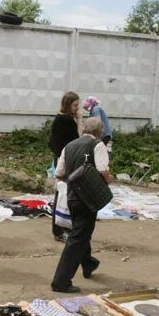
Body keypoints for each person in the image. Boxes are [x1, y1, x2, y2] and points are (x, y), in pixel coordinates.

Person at [50, 117, 112, 293]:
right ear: (99, 132)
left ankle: (88, 263)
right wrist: (108, 180)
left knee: (81, 231)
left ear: (83, 129)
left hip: (72, 197)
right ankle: (60, 281)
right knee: (78, 237)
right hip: (89, 198)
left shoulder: (69, 146)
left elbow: (59, 173)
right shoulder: (97, 146)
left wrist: (73, 181)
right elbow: (102, 170)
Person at [49, 91, 80, 242]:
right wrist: (80, 120)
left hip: (60, 158)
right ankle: (61, 230)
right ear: (68, 105)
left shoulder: (59, 118)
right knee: (64, 195)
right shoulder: (67, 120)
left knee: (62, 194)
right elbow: (79, 140)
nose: (77, 108)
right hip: (65, 160)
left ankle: (61, 229)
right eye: (75, 105)